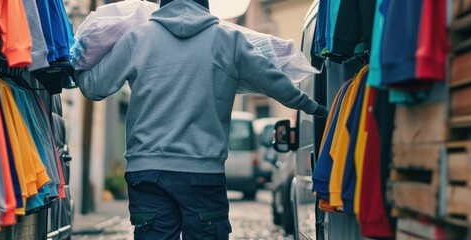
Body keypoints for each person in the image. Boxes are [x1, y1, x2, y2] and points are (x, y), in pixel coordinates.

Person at [76, 0, 327, 238]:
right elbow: (277, 84)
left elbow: (93, 87)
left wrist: (73, 63)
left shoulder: (136, 38)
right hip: (202, 171)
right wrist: (317, 109)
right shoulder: (229, 41)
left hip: (147, 171)